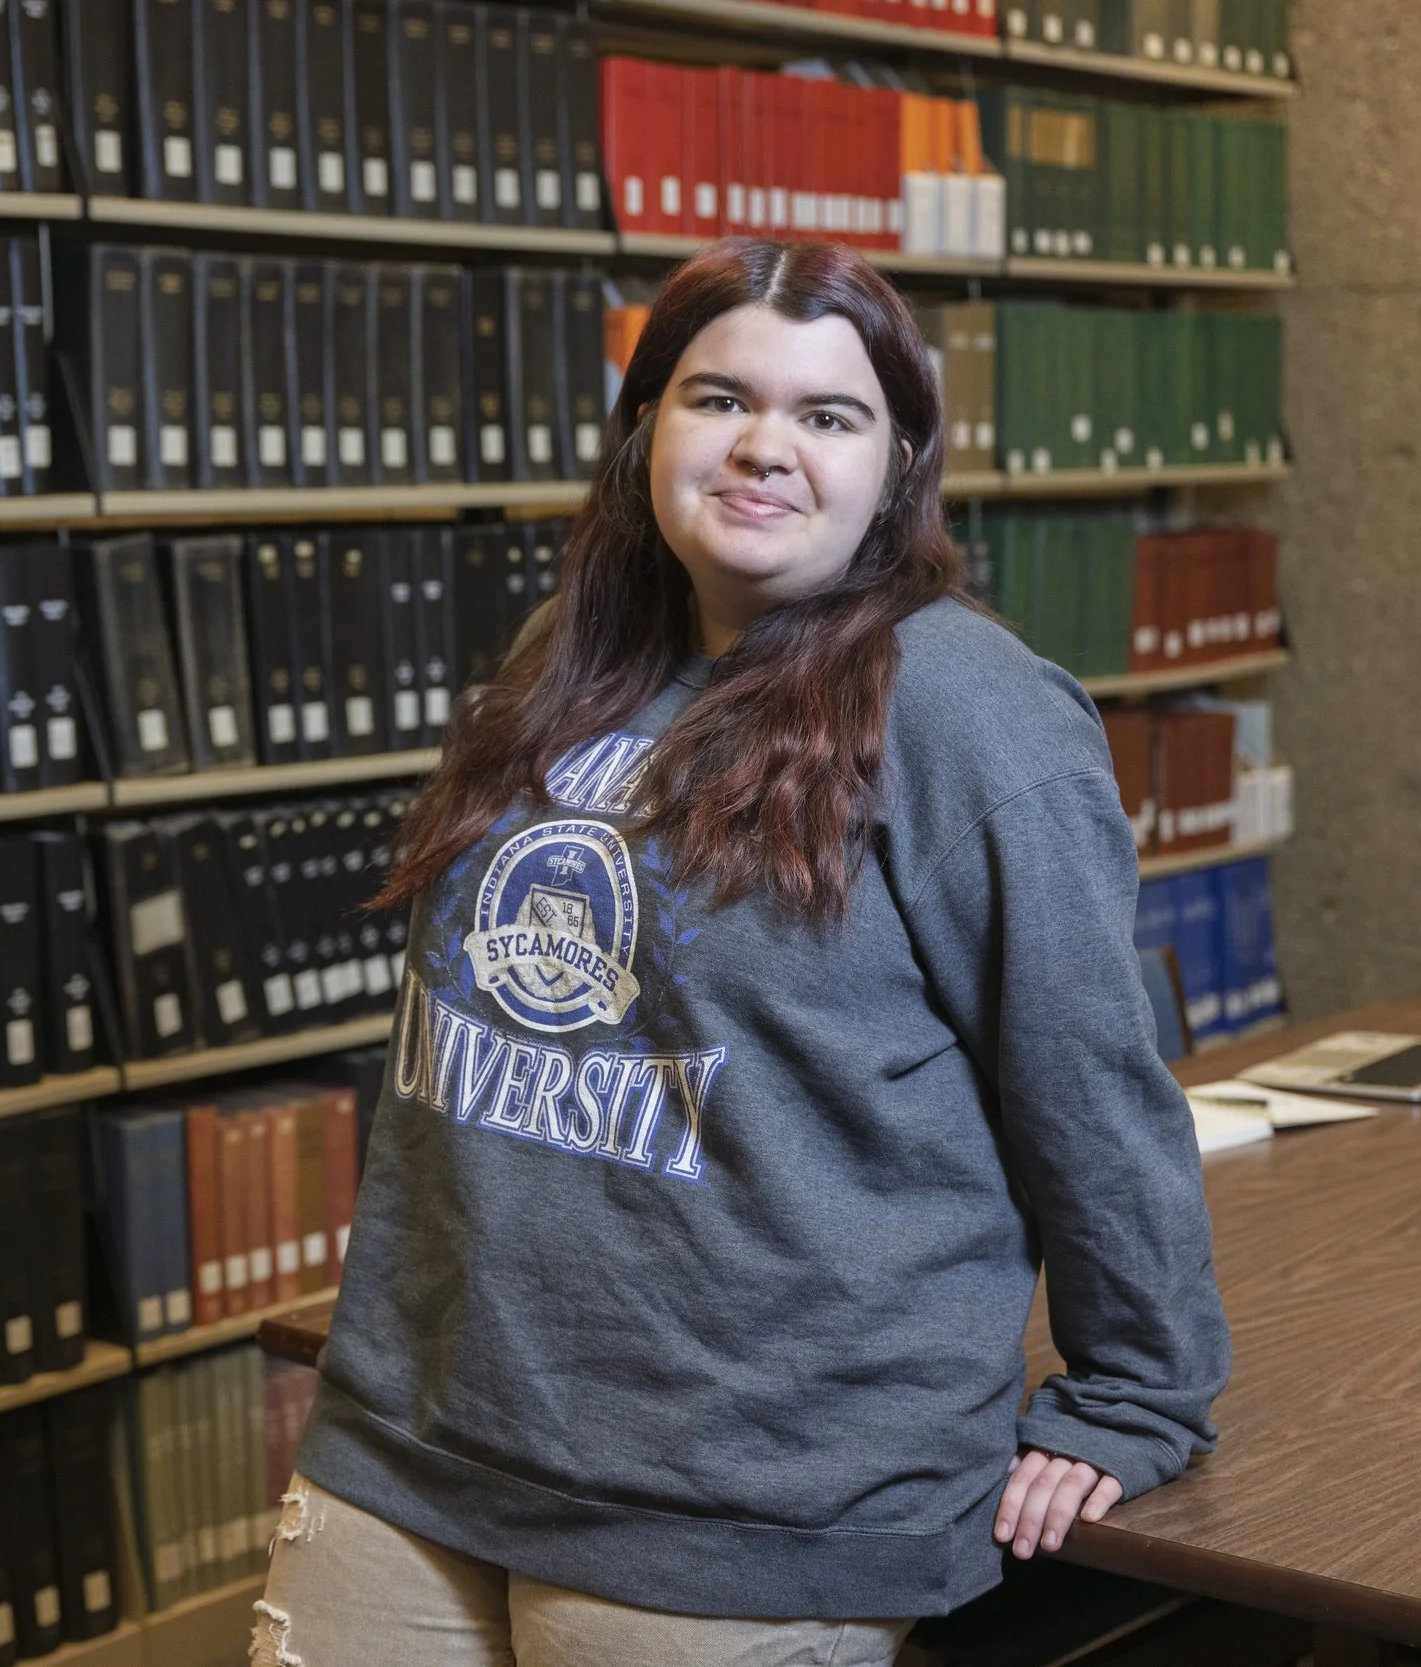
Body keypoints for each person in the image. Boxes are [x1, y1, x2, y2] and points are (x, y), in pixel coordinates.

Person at [253, 238, 1231, 1667]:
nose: (764, 446)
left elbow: (1086, 1080)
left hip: (749, 1490)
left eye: (827, 417)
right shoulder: (566, 658)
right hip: (425, 1432)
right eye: (719, 398)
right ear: (645, 426)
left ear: (897, 463)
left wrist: (1139, 1389)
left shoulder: (976, 717)